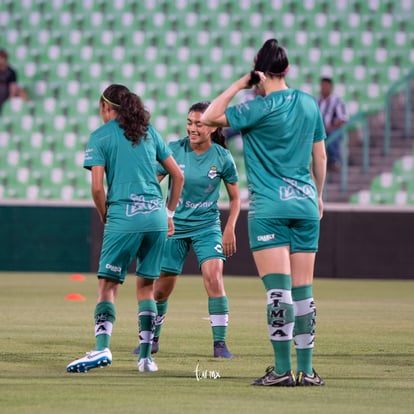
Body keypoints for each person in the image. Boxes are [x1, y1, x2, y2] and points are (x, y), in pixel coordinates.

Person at [201, 39, 327, 386]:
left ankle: (282, 370)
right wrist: (318, 196)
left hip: (270, 207)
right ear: (286, 69)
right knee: (304, 293)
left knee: (278, 293)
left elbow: (210, 117)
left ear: (260, 71)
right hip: (303, 203)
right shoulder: (308, 103)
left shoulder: (256, 107)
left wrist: (242, 83)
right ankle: (308, 371)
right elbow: (321, 157)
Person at [66, 84, 184, 373]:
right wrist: (168, 214)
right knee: (146, 287)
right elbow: (177, 175)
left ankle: (101, 348)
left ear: (106, 107)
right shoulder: (149, 132)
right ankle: (146, 359)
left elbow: (97, 188)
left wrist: (107, 214)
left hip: (124, 216)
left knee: (108, 286)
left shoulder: (100, 137)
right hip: (156, 218)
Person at [132, 101, 240, 358]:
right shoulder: (173, 150)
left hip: (207, 227)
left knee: (214, 277)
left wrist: (230, 228)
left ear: (213, 127)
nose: (192, 128)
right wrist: (158, 214)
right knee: (160, 290)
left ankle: (220, 344)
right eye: (190, 122)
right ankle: (152, 339)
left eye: (199, 124)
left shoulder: (223, 157)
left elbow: (235, 198)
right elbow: (152, 182)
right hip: (174, 228)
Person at [316, 77, 347, 172]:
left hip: (331, 130)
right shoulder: (316, 101)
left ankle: (334, 161)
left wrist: (329, 128)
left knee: (333, 134)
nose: (323, 88)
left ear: (331, 87)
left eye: (325, 86)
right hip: (318, 130)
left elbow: (343, 119)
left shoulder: (337, 101)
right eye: (322, 86)